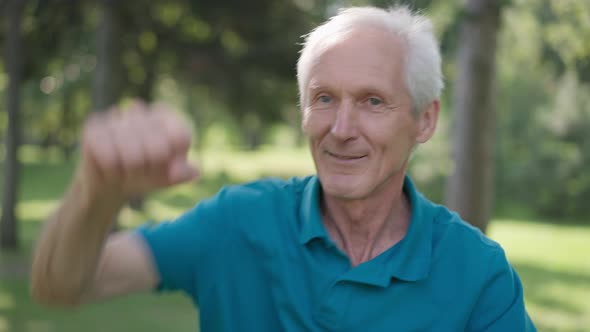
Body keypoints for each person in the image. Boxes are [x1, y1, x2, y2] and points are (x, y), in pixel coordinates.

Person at [31, 5, 537, 331]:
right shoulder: (237, 223)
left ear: (424, 120)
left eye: (373, 101)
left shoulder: (478, 275)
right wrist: (96, 191)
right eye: (323, 98)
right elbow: (62, 285)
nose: (341, 127)